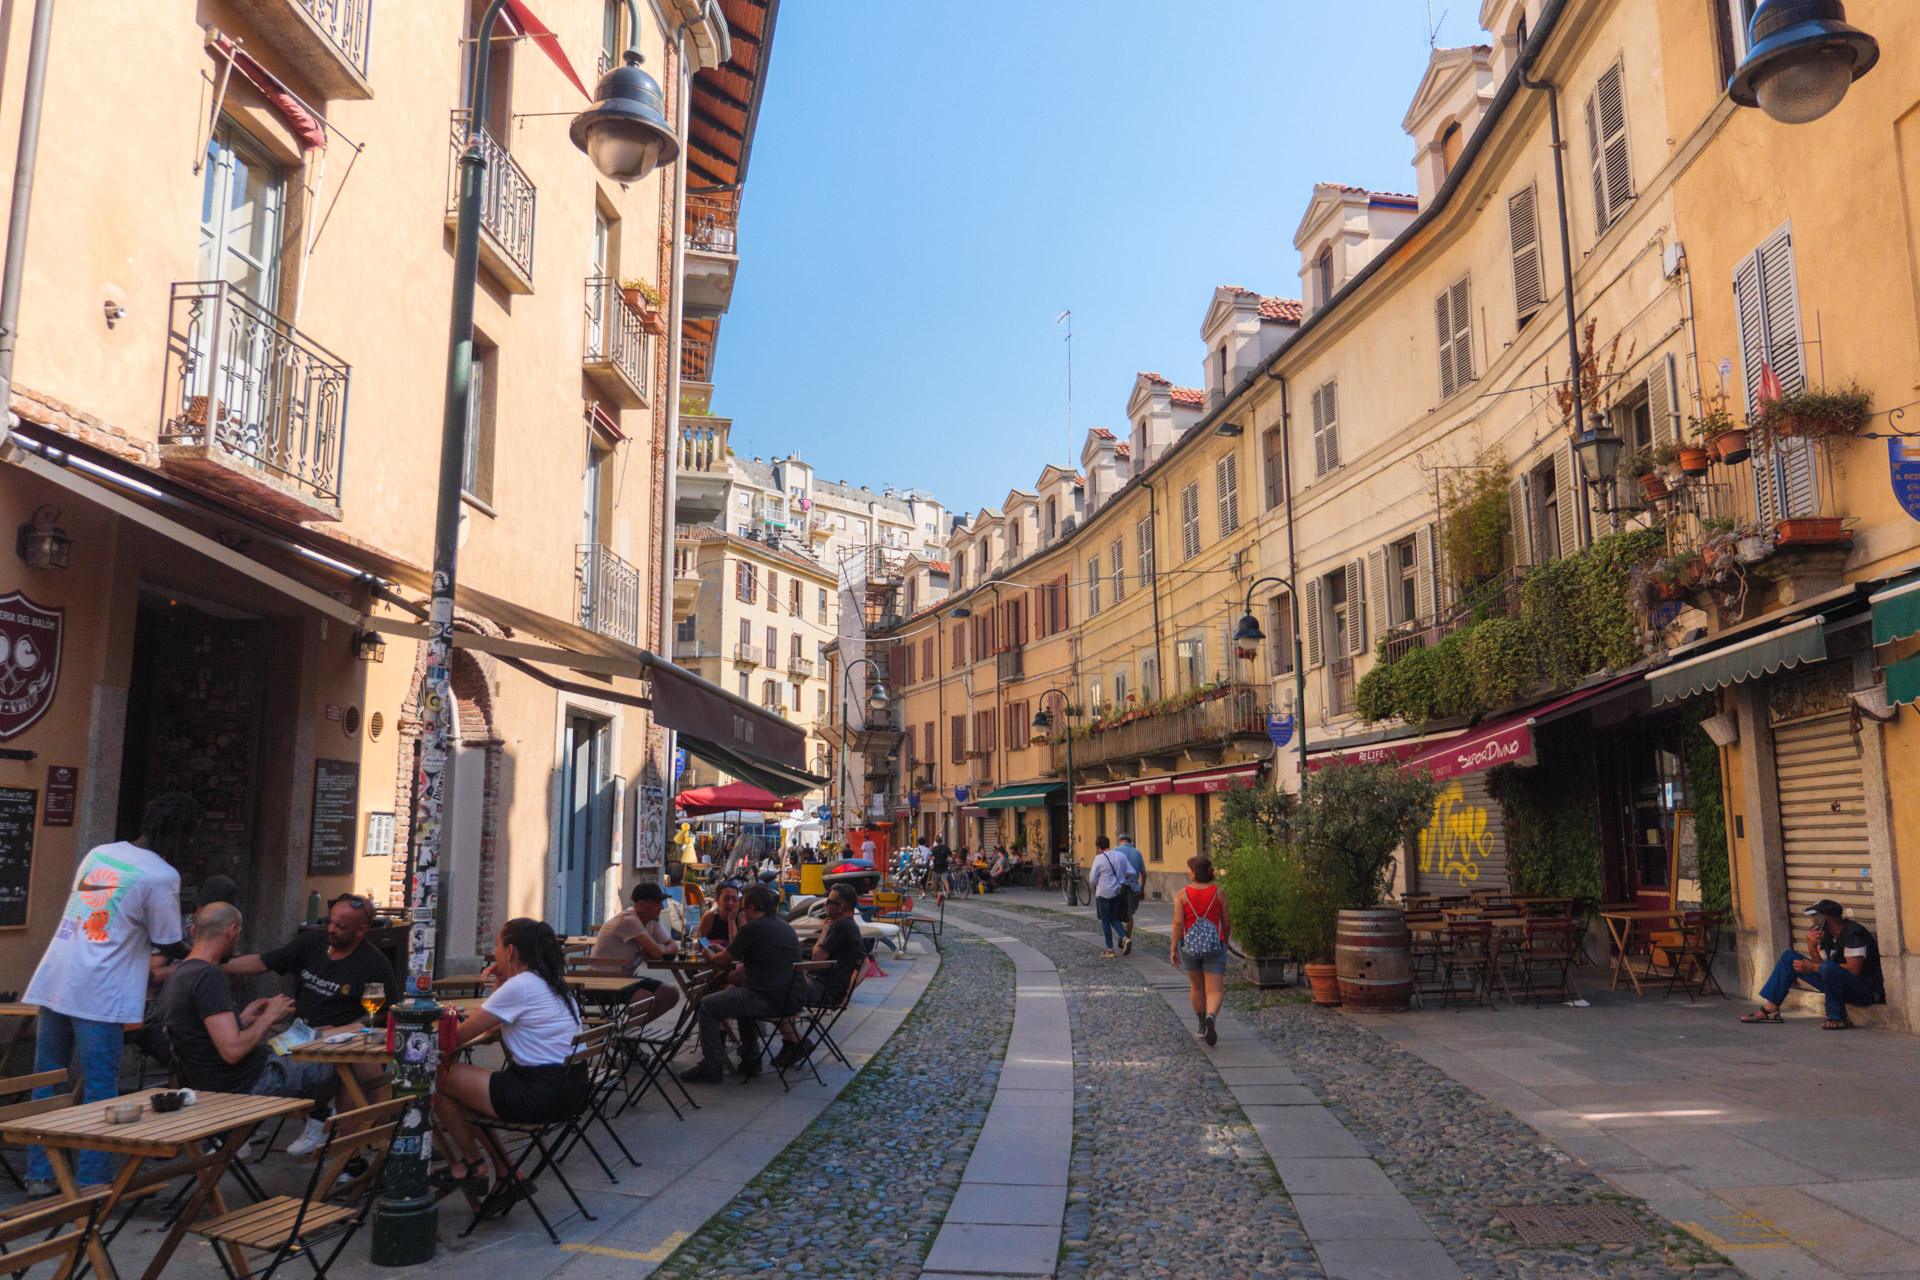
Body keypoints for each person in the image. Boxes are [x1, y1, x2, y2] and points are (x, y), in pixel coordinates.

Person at [23, 793, 196, 1194]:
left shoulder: (100, 853)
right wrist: (201, 958)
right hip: (101, 989)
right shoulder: (161, 875)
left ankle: (39, 1175)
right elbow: (168, 940)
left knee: (46, 1080)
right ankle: (91, 1180)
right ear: (179, 835)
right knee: (101, 1089)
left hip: (57, 976)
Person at [221, 893, 396, 1155]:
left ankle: (339, 1140)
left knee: (353, 1064)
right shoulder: (313, 941)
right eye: (331, 922)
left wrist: (344, 1029)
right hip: (296, 1029)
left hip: (335, 1041)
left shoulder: (374, 964)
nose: (332, 930)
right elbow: (263, 962)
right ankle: (243, 1128)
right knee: (245, 1050)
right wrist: (213, 964)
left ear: (363, 930)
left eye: (341, 927)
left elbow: (383, 1013)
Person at [434, 919, 589, 1199]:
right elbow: (496, 1023)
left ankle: (472, 1165)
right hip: (570, 1091)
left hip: (539, 1095)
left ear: (510, 951)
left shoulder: (521, 986)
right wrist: (501, 982)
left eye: (496, 945)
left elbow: (455, 1039)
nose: (493, 953)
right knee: (464, 1091)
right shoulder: (549, 982)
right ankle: (507, 1173)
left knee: (440, 1076)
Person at [156, 903, 338, 1106]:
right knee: (337, 1062)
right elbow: (232, 1051)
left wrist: (242, 1019)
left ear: (193, 931)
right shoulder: (209, 975)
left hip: (209, 1082)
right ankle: (322, 1124)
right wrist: (270, 1016)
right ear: (232, 931)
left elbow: (199, 1035)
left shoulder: (179, 974)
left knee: (305, 1050)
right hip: (245, 1083)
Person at [683, 885, 801, 1083]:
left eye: (743, 908)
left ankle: (712, 1065)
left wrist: (708, 953)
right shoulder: (785, 927)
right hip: (790, 998)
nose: (740, 911)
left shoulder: (753, 928)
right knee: (739, 997)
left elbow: (723, 960)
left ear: (752, 908)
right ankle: (751, 1060)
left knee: (707, 1005)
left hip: (765, 999)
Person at [1743, 899, 1885, 1029]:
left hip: (1865, 991)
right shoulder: (1825, 935)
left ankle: (1838, 1018)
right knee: (1789, 958)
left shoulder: (1854, 935)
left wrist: (1813, 967)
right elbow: (1820, 965)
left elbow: (1854, 970)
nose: (1813, 922)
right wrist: (1811, 945)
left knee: (1828, 968)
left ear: (1827, 919)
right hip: (1837, 985)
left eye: (1816, 918)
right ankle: (1771, 1008)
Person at [774, 883, 866, 1070]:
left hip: (823, 990)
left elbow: (817, 956)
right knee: (780, 988)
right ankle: (791, 1042)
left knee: (774, 991)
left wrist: (823, 932)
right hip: (830, 989)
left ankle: (795, 1042)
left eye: (829, 902)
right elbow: (865, 962)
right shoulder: (851, 926)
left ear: (841, 907)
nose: (825, 906)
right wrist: (848, 990)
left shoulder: (840, 926)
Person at [590, 882, 682, 1028]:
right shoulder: (629, 920)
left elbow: (673, 946)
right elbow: (658, 953)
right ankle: (623, 1038)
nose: (661, 907)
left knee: (670, 994)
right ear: (641, 905)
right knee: (646, 1001)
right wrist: (659, 951)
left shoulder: (651, 920)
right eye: (656, 903)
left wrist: (659, 950)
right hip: (603, 981)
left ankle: (625, 1033)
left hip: (625, 979)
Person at [1171, 856, 1233, 1046]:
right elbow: (1226, 921)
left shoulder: (1182, 894)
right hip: (1215, 944)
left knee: (1197, 987)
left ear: (1195, 872)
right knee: (1214, 989)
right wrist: (1226, 940)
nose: (1188, 873)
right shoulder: (1218, 893)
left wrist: (1173, 948)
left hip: (1190, 945)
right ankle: (1211, 1017)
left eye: (1190, 869)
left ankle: (1201, 1025)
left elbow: (1178, 923)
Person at [1089, 836, 1132, 958]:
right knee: (1113, 917)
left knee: (1105, 920)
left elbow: (1092, 879)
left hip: (1103, 893)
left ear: (1098, 847)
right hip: (1117, 892)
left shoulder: (1099, 859)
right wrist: (1121, 878)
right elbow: (1131, 872)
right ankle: (1124, 937)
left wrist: (1098, 882)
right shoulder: (1119, 856)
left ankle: (1109, 949)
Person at [1112, 833, 1147, 955]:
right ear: (1130, 841)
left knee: (1115, 914)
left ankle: (1123, 937)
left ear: (1120, 840)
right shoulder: (1137, 853)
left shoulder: (1115, 852)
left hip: (1118, 888)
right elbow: (1144, 873)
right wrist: (1142, 889)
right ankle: (1128, 938)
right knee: (1129, 915)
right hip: (1133, 889)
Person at [696, 880, 743, 949]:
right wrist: (711, 948)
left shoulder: (741, 919)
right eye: (726, 899)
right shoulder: (710, 917)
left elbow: (737, 949)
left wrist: (731, 920)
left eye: (734, 899)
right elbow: (701, 940)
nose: (730, 903)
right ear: (717, 900)